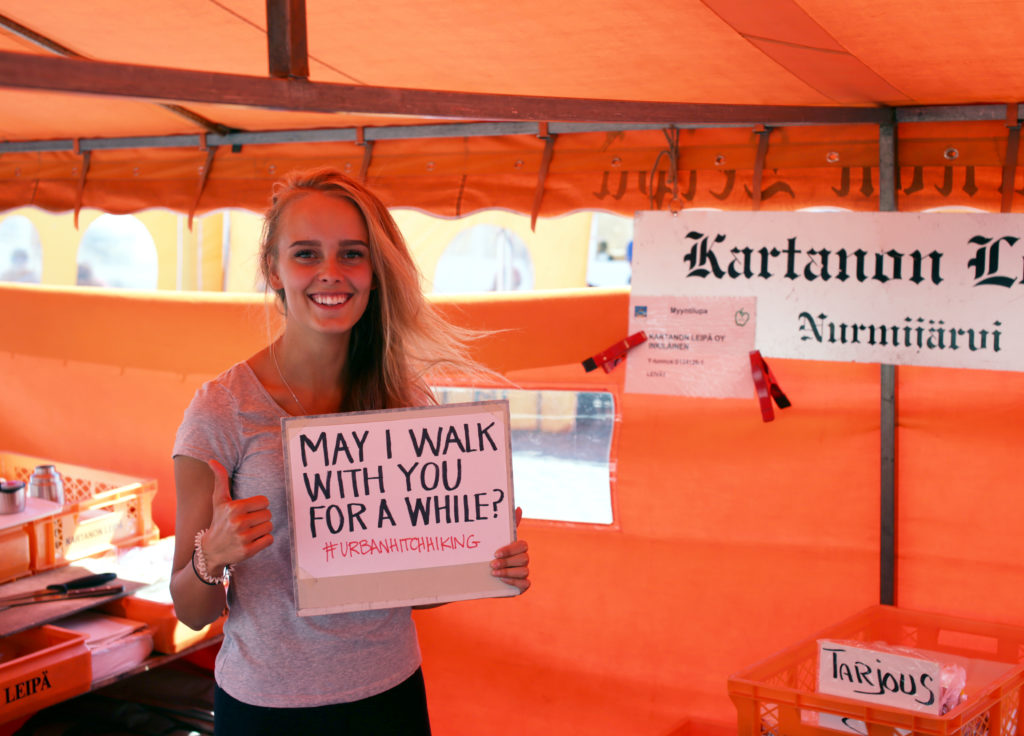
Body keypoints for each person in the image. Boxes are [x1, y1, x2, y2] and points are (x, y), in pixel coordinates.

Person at [170, 168, 531, 735]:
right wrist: (212, 555)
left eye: (352, 254)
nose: (331, 274)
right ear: (274, 269)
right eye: (307, 254)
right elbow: (190, 611)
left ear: (375, 272)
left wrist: (481, 561)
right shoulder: (222, 410)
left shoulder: (405, 401)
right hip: (267, 712)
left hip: (389, 698)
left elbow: (401, 590)